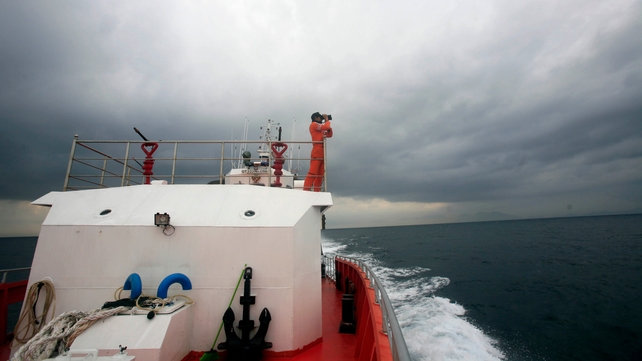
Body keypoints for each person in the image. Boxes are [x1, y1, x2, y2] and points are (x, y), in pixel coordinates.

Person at [303, 112, 333, 191]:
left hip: (321, 151)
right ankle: (306, 190)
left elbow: (330, 134)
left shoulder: (319, 128)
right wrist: (326, 120)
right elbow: (326, 126)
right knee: (313, 172)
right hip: (317, 149)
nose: (321, 118)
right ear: (315, 118)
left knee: (320, 174)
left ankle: (317, 191)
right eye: (320, 117)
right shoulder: (314, 125)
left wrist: (328, 126)